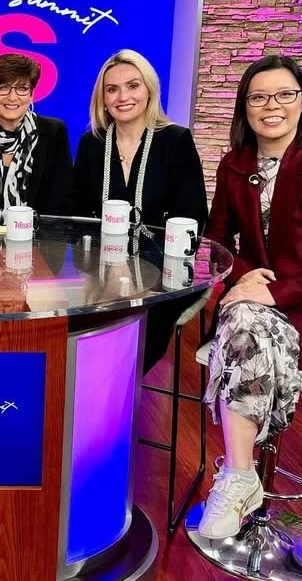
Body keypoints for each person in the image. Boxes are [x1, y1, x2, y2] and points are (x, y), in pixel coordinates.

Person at [197, 55, 302, 538]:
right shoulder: (234, 165)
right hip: (256, 302)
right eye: (258, 97)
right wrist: (249, 277)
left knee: (243, 324)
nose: (271, 106)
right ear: (244, 108)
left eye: (284, 94)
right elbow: (216, 241)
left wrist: (277, 292)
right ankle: (240, 473)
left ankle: (237, 477)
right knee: (246, 322)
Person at [72, 49, 208, 373]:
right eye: (112, 89)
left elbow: (193, 218)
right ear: (103, 98)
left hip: (164, 275)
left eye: (133, 86)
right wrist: (104, 271)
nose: (123, 97)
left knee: (132, 334)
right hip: (97, 272)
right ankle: (81, 398)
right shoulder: (91, 144)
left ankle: (115, 399)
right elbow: (74, 217)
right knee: (73, 326)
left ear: (149, 89)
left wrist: (138, 275)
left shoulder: (175, 140)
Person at [0, 53, 73, 215]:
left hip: (39, 237)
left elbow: (62, 198)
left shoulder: (54, 132)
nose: (13, 97)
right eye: (3, 88)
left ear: (32, 94)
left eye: (22, 89)